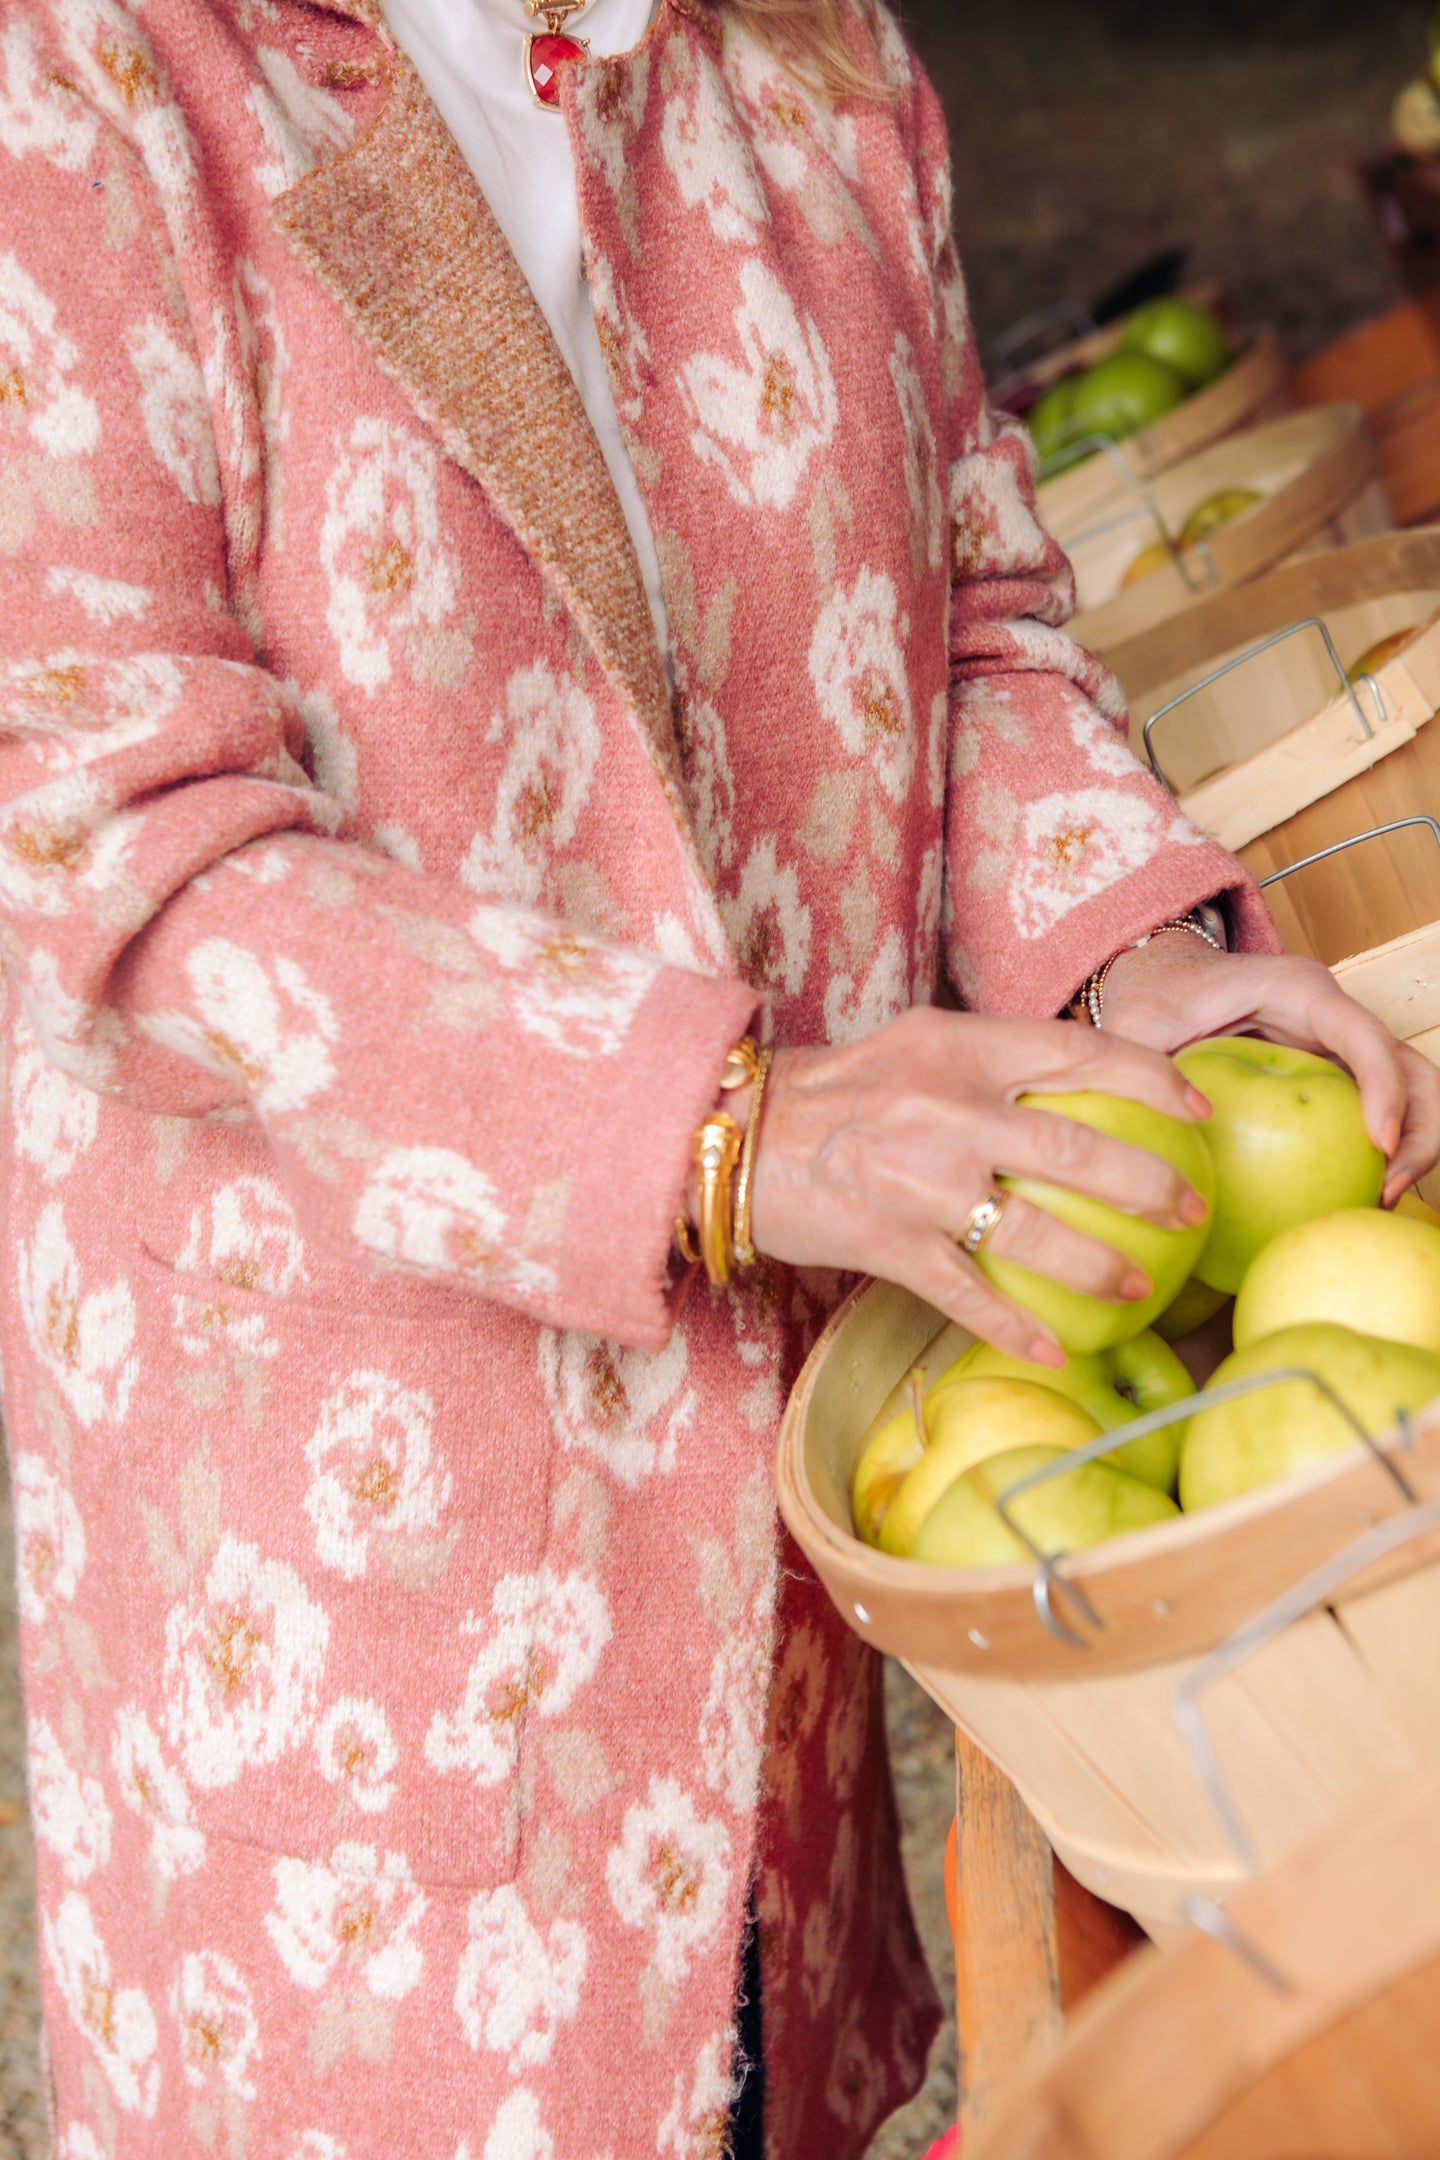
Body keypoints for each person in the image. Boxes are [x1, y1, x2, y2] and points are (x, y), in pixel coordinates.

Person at [2, 0, 1436, 2152]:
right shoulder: (88, 76)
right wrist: (735, 1119)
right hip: (376, 1604)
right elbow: (112, 834)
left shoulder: (802, 56)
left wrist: (1127, 951)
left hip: (768, 1601)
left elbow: (970, 614)